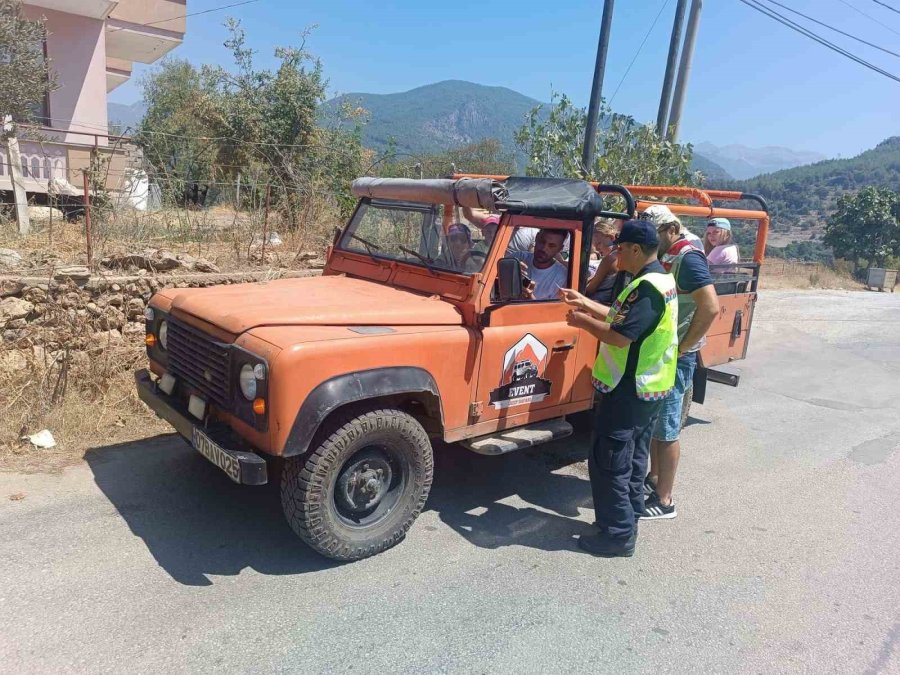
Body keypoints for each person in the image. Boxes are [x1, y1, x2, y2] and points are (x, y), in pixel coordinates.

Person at [559, 220, 678, 557]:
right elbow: (619, 316)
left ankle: (618, 536)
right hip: (645, 391)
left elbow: (619, 336)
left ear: (636, 250)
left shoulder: (647, 289)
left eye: (620, 248)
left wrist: (581, 322)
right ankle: (630, 516)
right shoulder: (656, 280)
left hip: (628, 390)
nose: (615, 254)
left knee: (610, 462)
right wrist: (584, 301)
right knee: (633, 459)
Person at [643, 212, 720, 520]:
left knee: (667, 426)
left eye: (655, 234)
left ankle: (665, 500)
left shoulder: (688, 259)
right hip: (662, 351)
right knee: (655, 425)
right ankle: (654, 479)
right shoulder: (668, 253)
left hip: (676, 355)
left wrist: (683, 348)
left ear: (672, 230)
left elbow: (711, 307)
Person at [508, 229, 569, 300]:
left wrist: (530, 298)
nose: (544, 249)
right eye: (542, 242)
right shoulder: (518, 257)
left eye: (551, 246)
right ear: (536, 238)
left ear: (560, 249)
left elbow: (552, 310)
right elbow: (493, 274)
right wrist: (509, 272)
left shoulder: (562, 277)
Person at [584, 218, 621, 304]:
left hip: (600, 302)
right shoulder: (620, 255)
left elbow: (589, 291)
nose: (596, 249)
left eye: (598, 243)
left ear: (611, 238)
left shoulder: (609, 259)